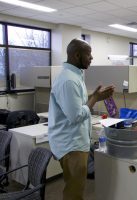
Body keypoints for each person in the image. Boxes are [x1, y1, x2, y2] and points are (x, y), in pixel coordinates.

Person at [48, 38, 114, 200]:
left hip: (75, 142)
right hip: (71, 146)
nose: (91, 58)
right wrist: (95, 98)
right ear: (77, 55)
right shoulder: (69, 80)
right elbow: (75, 116)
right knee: (74, 191)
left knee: (76, 187)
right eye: (88, 54)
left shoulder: (74, 75)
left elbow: (77, 105)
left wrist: (95, 97)